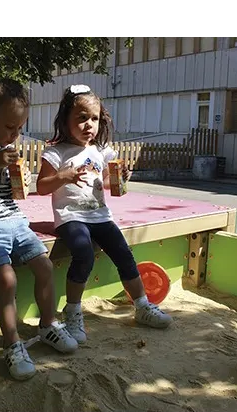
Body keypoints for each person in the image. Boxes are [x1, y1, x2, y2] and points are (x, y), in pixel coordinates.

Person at [0, 78, 78, 380]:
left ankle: (48, 325)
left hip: (12, 217)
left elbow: (14, 194)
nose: (15, 135)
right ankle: (12, 344)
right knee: (6, 279)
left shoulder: (7, 148)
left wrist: (20, 180)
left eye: (19, 128)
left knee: (45, 266)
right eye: (10, 127)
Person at [36, 84, 173, 344]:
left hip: (100, 215)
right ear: (65, 120)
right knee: (83, 253)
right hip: (71, 217)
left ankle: (142, 306)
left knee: (123, 252)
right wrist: (63, 176)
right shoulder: (56, 153)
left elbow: (107, 184)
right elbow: (42, 187)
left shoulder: (100, 151)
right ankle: (73, 311)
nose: (89, 124)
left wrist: (120, 179)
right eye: (82, 118)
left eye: (95, 119)